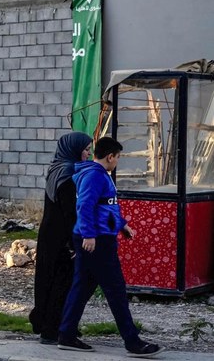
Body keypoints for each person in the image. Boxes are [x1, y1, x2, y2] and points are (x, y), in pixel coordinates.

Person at [58, 137, 164, 358]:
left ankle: (66, 334)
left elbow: (106, 207)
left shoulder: (97, 174)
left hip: (96, 237)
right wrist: (89, 235)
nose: (117, 162)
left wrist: (121, 224)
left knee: (82, 287)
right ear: (110, 156)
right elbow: (85, 205)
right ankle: (132, 342)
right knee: (115, 290)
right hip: (97, 241)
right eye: (118, 158)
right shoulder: (95, 176)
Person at [29, 131, 92, 345]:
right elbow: (70, 212)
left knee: (48, 280)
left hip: (49, 235)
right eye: (85, 150)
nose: (88, 154)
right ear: (74, 149)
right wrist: (74, 242)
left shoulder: (56, 168)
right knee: (62, 282)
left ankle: (49, 323)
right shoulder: (67, 174)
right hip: (61, 238)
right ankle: (53, 329)